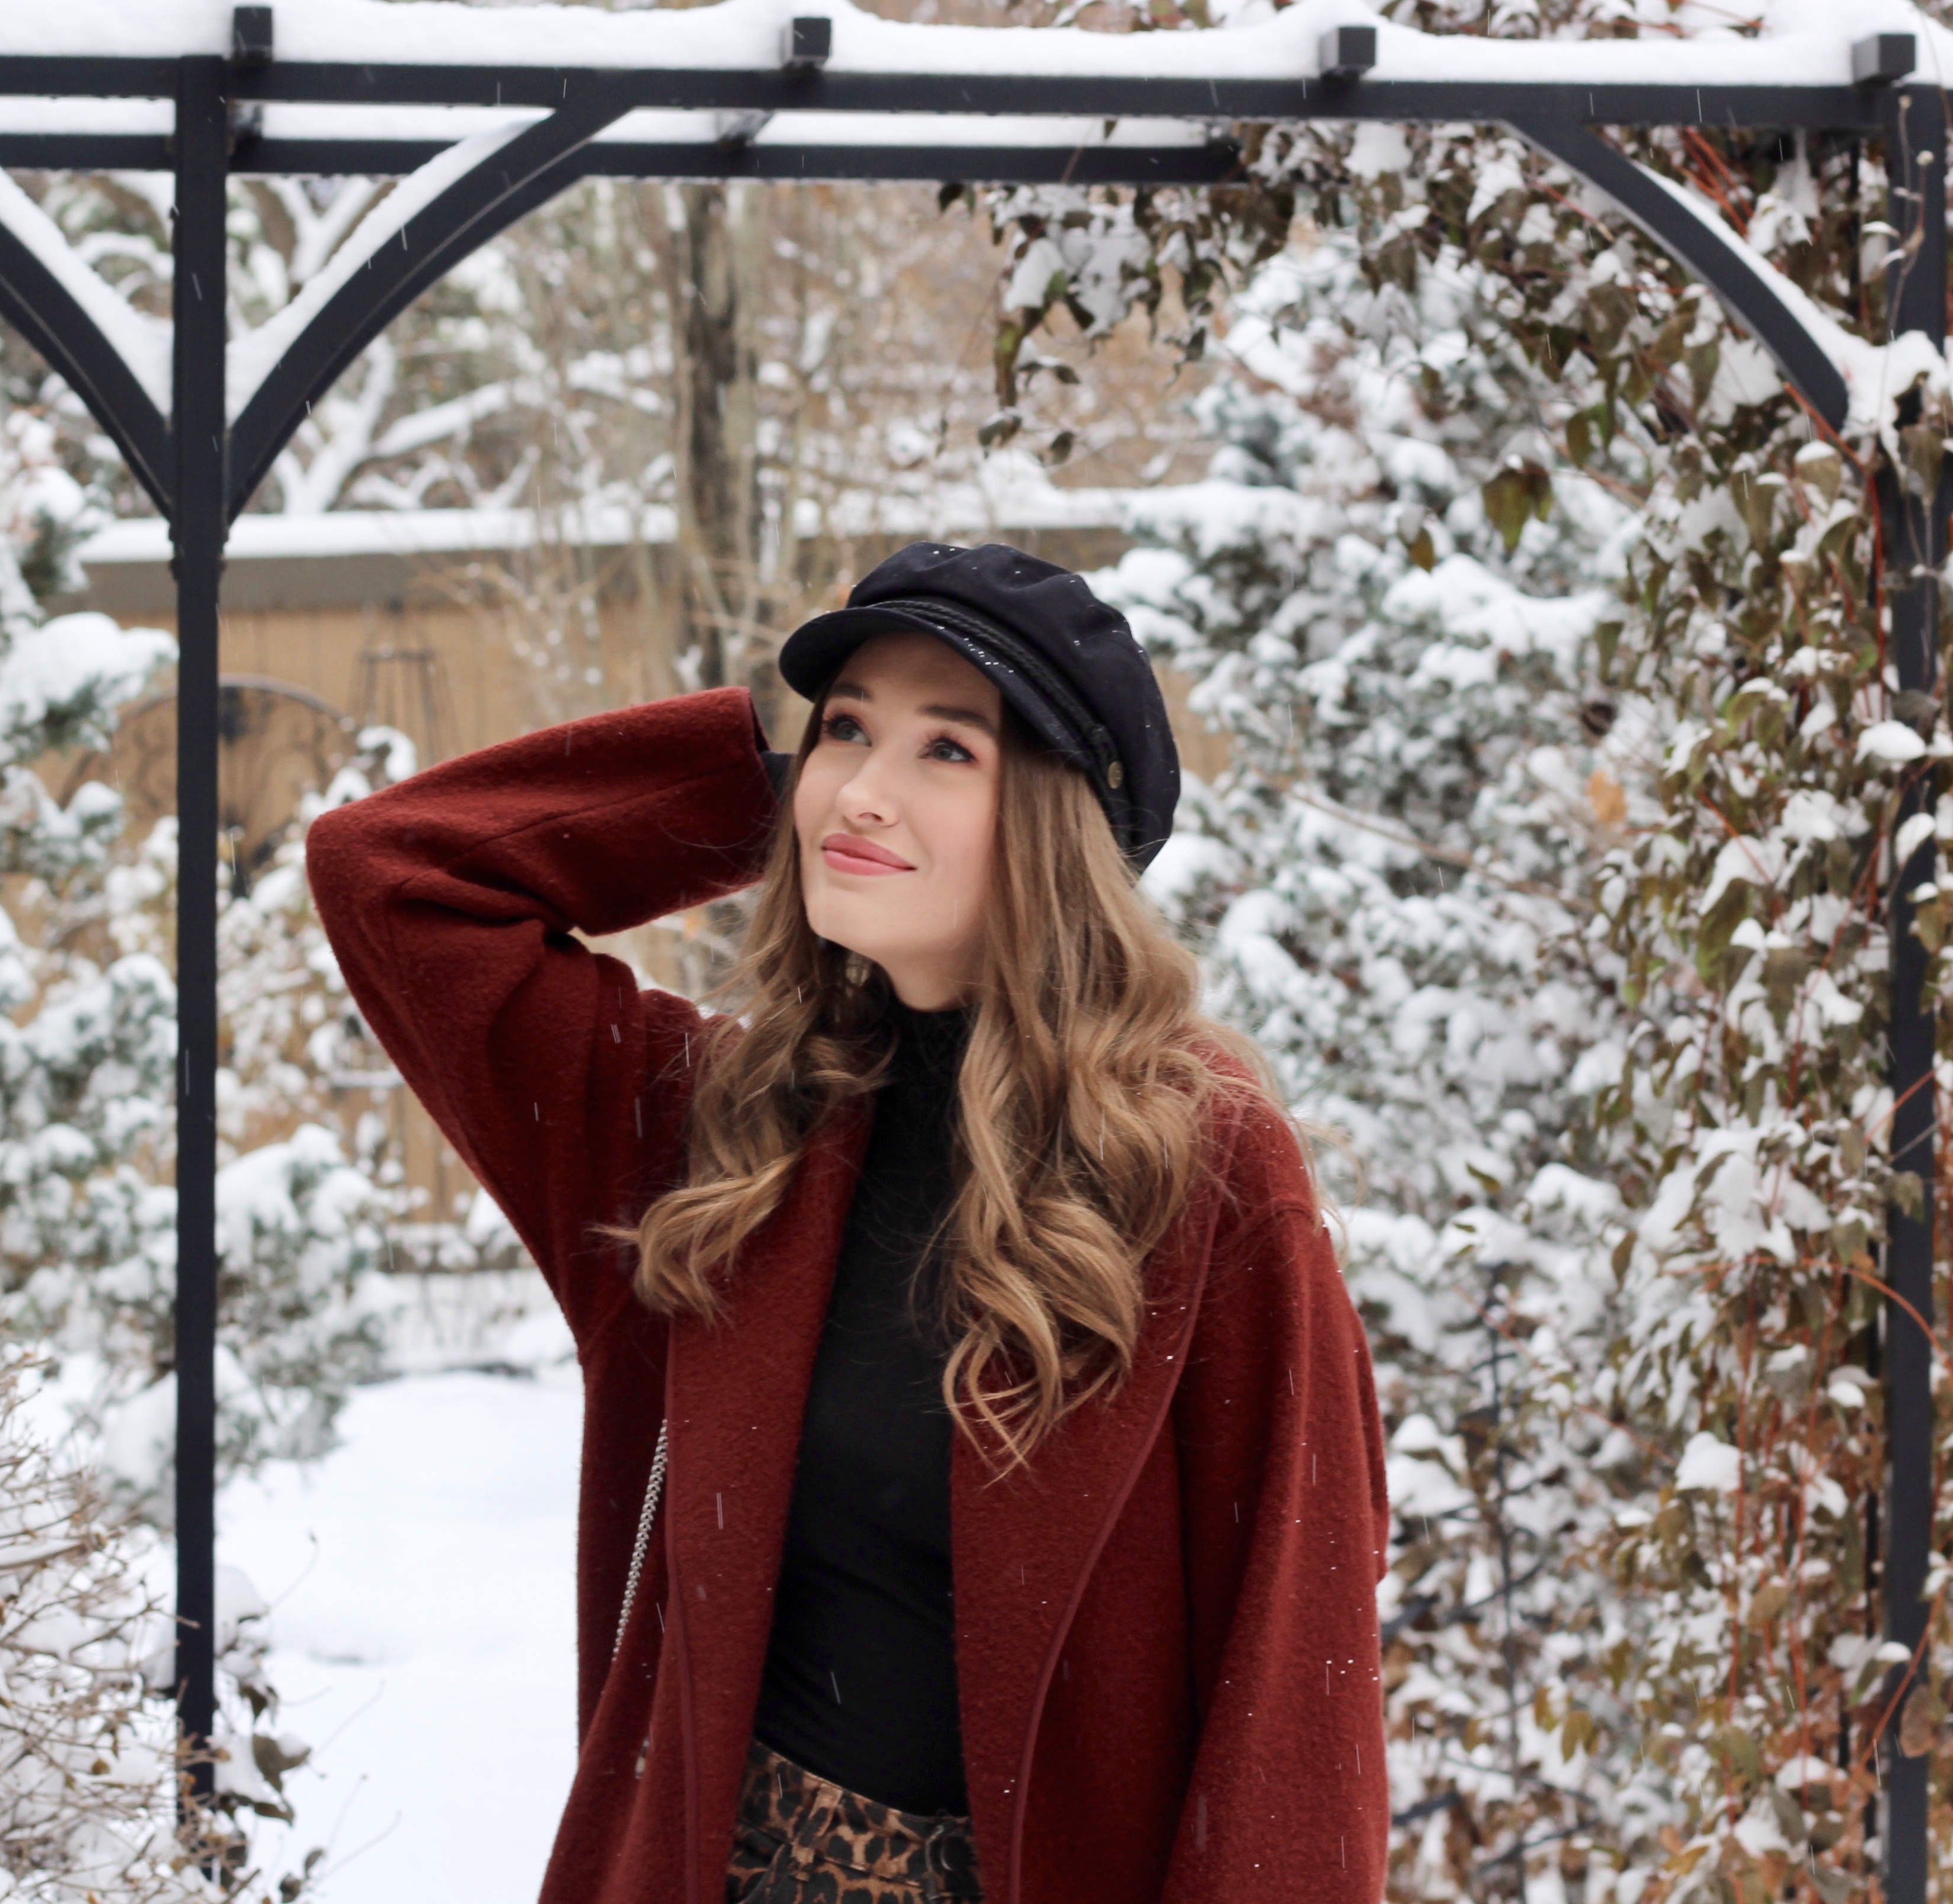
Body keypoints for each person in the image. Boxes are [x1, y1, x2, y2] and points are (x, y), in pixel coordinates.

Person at [306, 541, 1389, 1904]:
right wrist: (771, 797)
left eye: (950, 750)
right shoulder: (720, 1133)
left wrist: (853, 805)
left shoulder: (1202, 1179)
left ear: (1058, 827)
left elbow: (1296, 1716)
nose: (864, 789)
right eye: (845, 730)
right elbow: (390, 876)